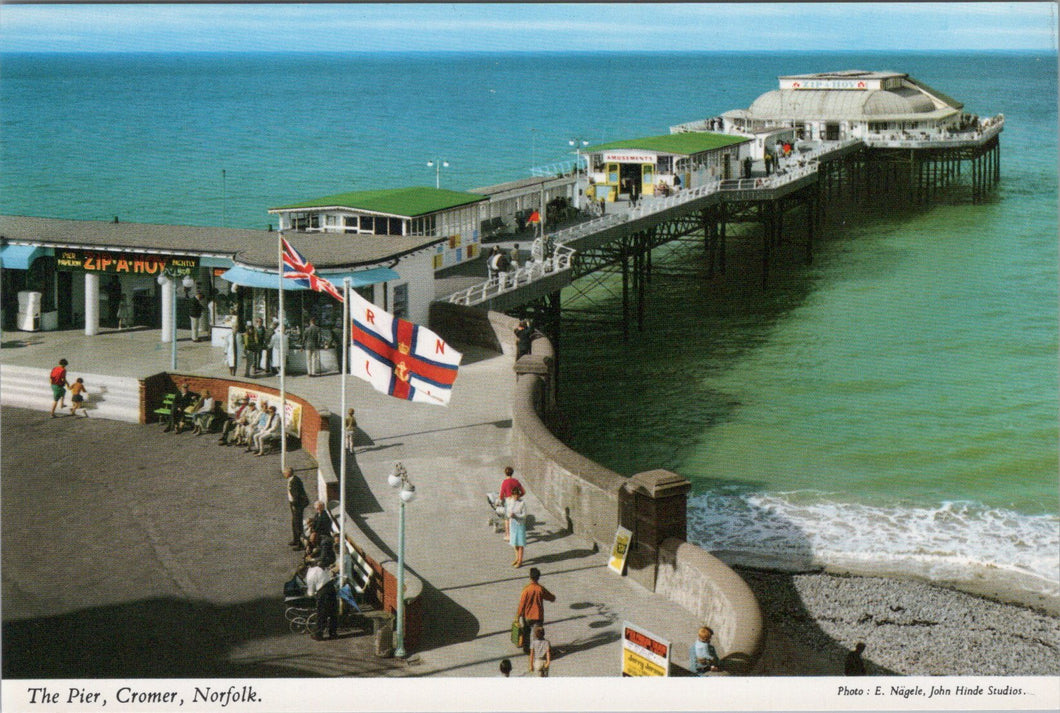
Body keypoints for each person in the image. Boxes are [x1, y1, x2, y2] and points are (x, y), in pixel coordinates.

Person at [516, 567, 555, 654]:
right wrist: (553, 597)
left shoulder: (526, 589)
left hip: (527, 616)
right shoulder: (540, 589)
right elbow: (550, 597)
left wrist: (518, 616)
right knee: (537, 635)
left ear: (530, 577)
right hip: (538, 616)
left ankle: (526, 649)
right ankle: (537, 651)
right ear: (538, 577)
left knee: (526, 632)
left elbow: (521, 604)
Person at [305, 561, 338, 641]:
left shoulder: (309, 576)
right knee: (333, 612)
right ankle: (333, 632)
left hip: (323, 591)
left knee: (321, 613)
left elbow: (311, 592)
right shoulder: (318, 569)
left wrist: (309, 594)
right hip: (331, 588)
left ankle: (318, 634)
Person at [499, 467, 523, 538]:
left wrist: (501, 499)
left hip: (508, 501)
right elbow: (523, 492)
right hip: (516, 501)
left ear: (505, 473)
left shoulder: (504, 482)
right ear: (512, 473)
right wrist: (518, 496)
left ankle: (508, 535)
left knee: (507, 518)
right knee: (517, 517)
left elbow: (501, 495)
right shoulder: (516, 481)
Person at [508, 489, 527, 568]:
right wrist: (510, 515)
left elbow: (524, 515)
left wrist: (516, 516)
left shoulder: (522, 503)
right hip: (513, 525)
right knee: (515, 543)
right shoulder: (511, 502)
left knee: (520, 544)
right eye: (514, 495)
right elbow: (508, 511)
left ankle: (520, 561)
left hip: (520, 525)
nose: (515, 496)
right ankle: (516, 558)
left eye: (516, 495)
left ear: (519, 495)